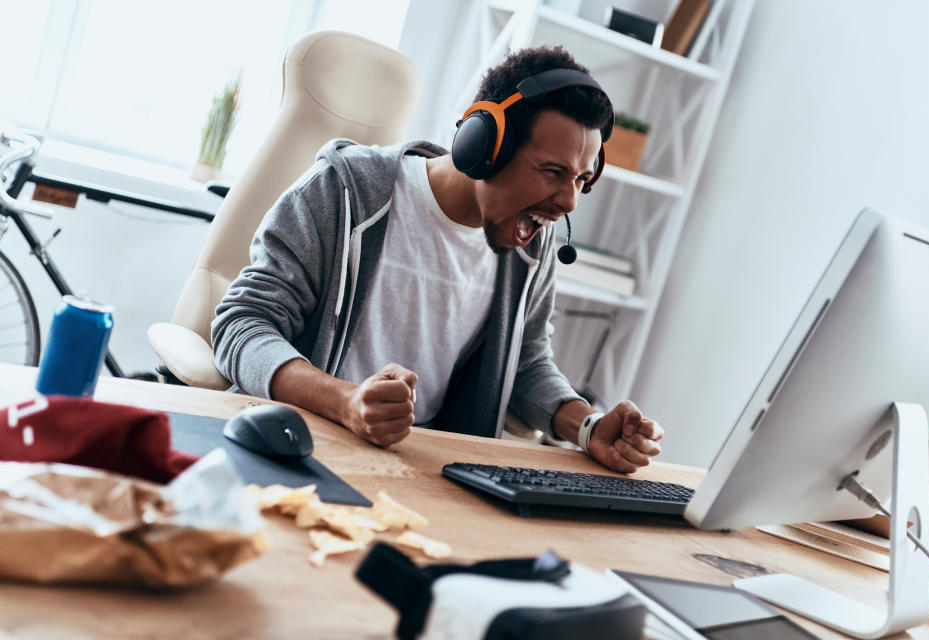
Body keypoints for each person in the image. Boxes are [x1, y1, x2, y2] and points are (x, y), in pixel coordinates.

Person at [212, 45, 664, 474]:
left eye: (583, 179)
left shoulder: (530, 244)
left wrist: (586, 426)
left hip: (423, 471)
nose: (569, 201)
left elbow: (524, 363)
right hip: (299, 442)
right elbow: (242, 325)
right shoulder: (346, 191)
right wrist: (346, 403)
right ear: (483, 145)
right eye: (553, 172)